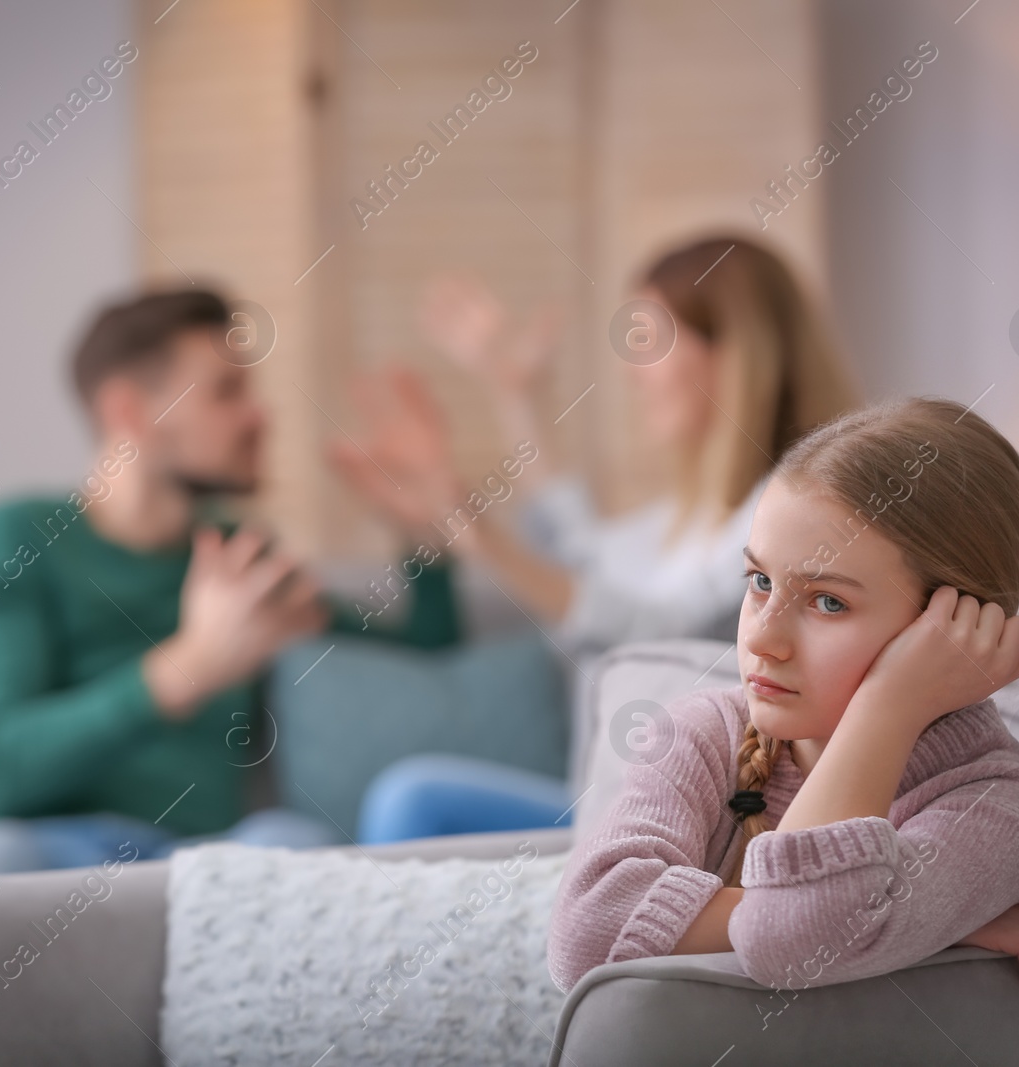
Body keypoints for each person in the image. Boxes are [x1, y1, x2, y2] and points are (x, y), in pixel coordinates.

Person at [546, 395, 1019, 998]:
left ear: (953, 626)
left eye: (828, 602)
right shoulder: (706, 733)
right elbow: (583, 935)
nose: (763, 638)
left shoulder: (1004, 806)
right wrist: (917, 926)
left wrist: (886, 708)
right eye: (761, 582)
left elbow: (784, 943)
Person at [0, 289, 463, 881]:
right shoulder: (17, 538)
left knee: (298, 845)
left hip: (195, 862)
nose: (260, 416)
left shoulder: (238, 558)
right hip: (39, 851)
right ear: (129, 411)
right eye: (227, 393)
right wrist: (190, 668)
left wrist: (426, 540)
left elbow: (426, 664)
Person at [333, 235, 861, 842]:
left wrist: (479, 531)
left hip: (697, 820)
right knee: (415, 798)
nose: (633, 373)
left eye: (652, 343)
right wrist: (516, 399)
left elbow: (658, 626)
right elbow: (576, 555)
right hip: (615, 801)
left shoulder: (793, 513)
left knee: (413, 801)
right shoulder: (688, 522)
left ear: (732, 354)